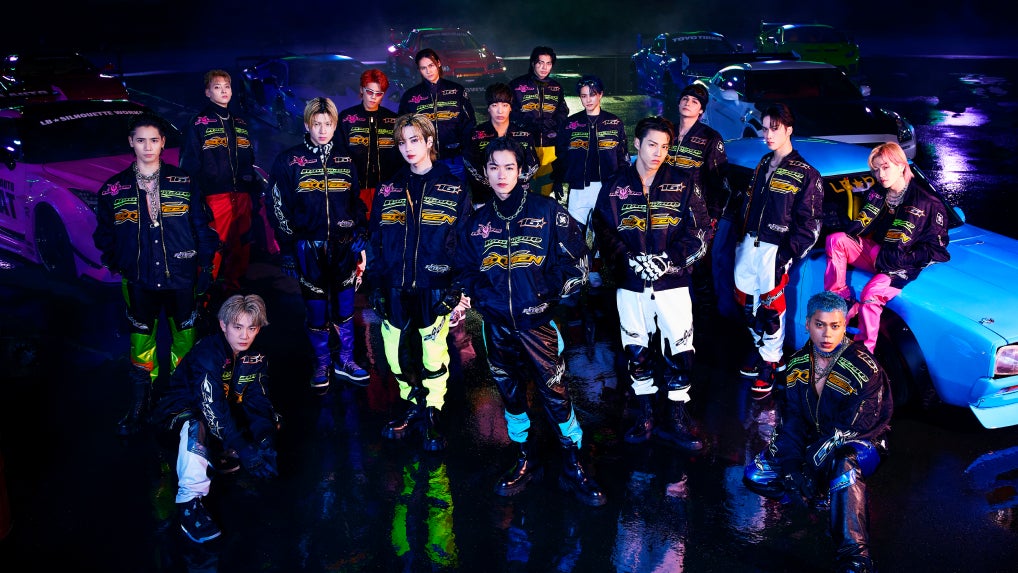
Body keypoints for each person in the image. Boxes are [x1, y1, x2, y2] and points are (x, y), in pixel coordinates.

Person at [456, 137, 606, 507]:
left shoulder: (547, 210)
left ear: (522, 171)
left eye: (509, 167)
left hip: (538, 327)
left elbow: (578, 261)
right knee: (509, 393)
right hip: (496, 327)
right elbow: (464, 269)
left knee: (555, 393)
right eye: (494, 167)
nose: (501, 174)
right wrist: (484, 298)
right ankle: (525, 456)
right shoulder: (476, 222)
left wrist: (546, 294)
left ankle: (573, 462)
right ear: (485, 172)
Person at [743, 291, 892, 573]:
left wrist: (809, 470)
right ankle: (824, 499)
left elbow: (854, 428)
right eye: (820, 325)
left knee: (843, 462)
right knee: (756, 474)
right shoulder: (797, 364)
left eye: (835, 326)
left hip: (864, 442)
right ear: (808, 324)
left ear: (844, 326)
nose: (827, 334)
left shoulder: (865, 367)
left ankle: (855, 556)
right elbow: (793, 420)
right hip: (816, 439)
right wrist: (791, 472)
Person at [93, 112, 219, 436]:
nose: (147, 147)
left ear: (163, 142)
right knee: (141, 342)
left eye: (153, 140)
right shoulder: (113, 189)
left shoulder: (185, 182)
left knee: (185, 340)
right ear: (131, 143)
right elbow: (104, 234)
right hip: (139, 280)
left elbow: (203, 228)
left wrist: (206, 267)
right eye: (141, 140)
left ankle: (182, 401)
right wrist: (120, 262)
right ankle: (141, 402)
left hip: (181, 278)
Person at [592, 116, 710, 451]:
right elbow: (602, 229)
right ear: (637, 144)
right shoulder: (614, 185)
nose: (658, 153)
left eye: (665, 147)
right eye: (652, 145)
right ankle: (643, 412)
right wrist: (627, 258)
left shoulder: (684, 182)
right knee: (636, 348)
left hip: (673, 283)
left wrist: (668, 260)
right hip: (631, 283)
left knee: (680, 349)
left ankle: (677, 415)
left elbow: (701, 231)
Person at [367, 113, 471, 452]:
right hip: (394, 283)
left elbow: (466, 241)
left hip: (435, 282)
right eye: (402, 142)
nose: (408, 148)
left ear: (429, 141)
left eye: (415, 140)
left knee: (432, 351)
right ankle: (412, 403)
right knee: (394, 352)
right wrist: (375, 285)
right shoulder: (388, 188)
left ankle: (433, 410)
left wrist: (457, 286)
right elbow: (374, 240)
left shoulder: (455, 187)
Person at [152, 295, 279, 543]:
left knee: (272, 421)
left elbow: (258, 401)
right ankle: (189, 502)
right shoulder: (208, 353)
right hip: (176, 418)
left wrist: (265, 440)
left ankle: (218, 453)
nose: (244, 336)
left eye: (252, 328)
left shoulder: (257, 357)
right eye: (237, 327)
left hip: (220, 415)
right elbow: (211, 408)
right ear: (223, 325)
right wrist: (243, 448)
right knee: (196, 423)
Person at [268, 97, 368, 390]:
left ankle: (345, 360)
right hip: (307, 248)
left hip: (343, 246)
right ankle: (322, 362)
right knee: (316, 310)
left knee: (346, 307)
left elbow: (356, 201)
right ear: (306, 125)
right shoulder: (288, 160)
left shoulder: (346, 159)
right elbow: (277, 206)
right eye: (316, 124)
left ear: (335, 125)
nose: (322, 130)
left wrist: (361, 229)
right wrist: (288, 249)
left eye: (328, 124)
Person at [824, 142, 950, 352]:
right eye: (876, 169)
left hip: (901, 264)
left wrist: (905, 259)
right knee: (835, 240)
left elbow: (938, 250)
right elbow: (863, 226)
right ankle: (842, 301)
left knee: (870, 294)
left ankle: (864, 351)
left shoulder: (927, 202)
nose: (880, 174)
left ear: (901, 166)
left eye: (885, 167)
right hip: (878, 253)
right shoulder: (877, 192)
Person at [734, 103, 823, 395]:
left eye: (775, 128)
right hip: (748, 244)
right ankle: (766, 350)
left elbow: (811, 225)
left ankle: (770, 364)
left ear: (789, 130)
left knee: (772, 309)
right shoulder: (763, 162)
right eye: (765, 128)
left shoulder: (807, 173)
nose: (768, 135)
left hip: (775, 249)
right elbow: (749, 204)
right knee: (746, 303)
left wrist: (785, 255)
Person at [179, 69, 259, 300]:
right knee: (212, 248)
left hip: (241, 196)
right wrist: (196, 200)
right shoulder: (199, 122)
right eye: (217, 87)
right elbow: (188, 165)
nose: (223, 91)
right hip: (215, 197)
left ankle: (233, 293)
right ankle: (201, 300)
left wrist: (251, 188)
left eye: (227, 86)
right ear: (207, 92)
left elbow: (249, 158)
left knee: (241, 246)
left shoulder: (240, 122)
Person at [554, 74, 629, 286]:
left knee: (601, 232)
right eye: (583, 96)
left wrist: (623, 183)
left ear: (600, 95)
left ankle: (595, 270)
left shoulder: (615, 122)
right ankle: (577, 271)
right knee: (574, 232)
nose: (588, 100)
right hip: (579, 187)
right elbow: (561, 155)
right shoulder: (570, 124)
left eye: (592, 95)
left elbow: (623, 157)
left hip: (606, 188)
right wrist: (558, 179)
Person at [666, 82, 730, 315]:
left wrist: (713, 216)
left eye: (695, 102)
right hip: (665, 210)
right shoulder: (667, 132)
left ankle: (705, 317)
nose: (688, 103)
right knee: (669, 262)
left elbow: (720, 183)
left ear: (701, 111)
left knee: (698, 266)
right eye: (685, 98)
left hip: (696, 215)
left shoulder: (710, 138)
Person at [398, 49, 476, 185]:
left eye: (431, 65)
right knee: (428, 196)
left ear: (438, 64)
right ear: (419, 70)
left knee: (455, 194)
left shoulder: (457, 90)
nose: (428, 71)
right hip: (424, 159)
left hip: (454, 159)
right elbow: (402, 129)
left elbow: (469, 124)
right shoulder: (410, 96)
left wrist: (464, 152)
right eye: (423, 68)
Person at [463, 82, 538, 209]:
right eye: (494, 105)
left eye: (505, 105)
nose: (500, 111)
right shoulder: (475, 135)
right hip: (485, 198)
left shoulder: (524, 135)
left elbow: (533, 164)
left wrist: (510, 186)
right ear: (488, 108)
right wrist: (495, 185)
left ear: (510, 108)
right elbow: (470, 165)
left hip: (518, 197)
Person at [338, 68, 401, 219]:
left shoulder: (393, 119)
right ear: (361, 89)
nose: (373, 97)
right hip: (355, 189)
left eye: (378, 94)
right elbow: (339, 153)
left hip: (387, 189)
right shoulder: (346, 118)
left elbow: (400, 156)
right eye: (369, 92)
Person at [509, 46, 569, 197]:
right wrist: (527, 125)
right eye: (540, 63)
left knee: (544, 191)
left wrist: (554, 124)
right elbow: (509, 112)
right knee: (523, 192)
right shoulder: (516, 85)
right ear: (533, 63)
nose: (544, 67)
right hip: (524, 146)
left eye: (548, 63)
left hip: (549, 147)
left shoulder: (556, 87)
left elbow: (563, 112)